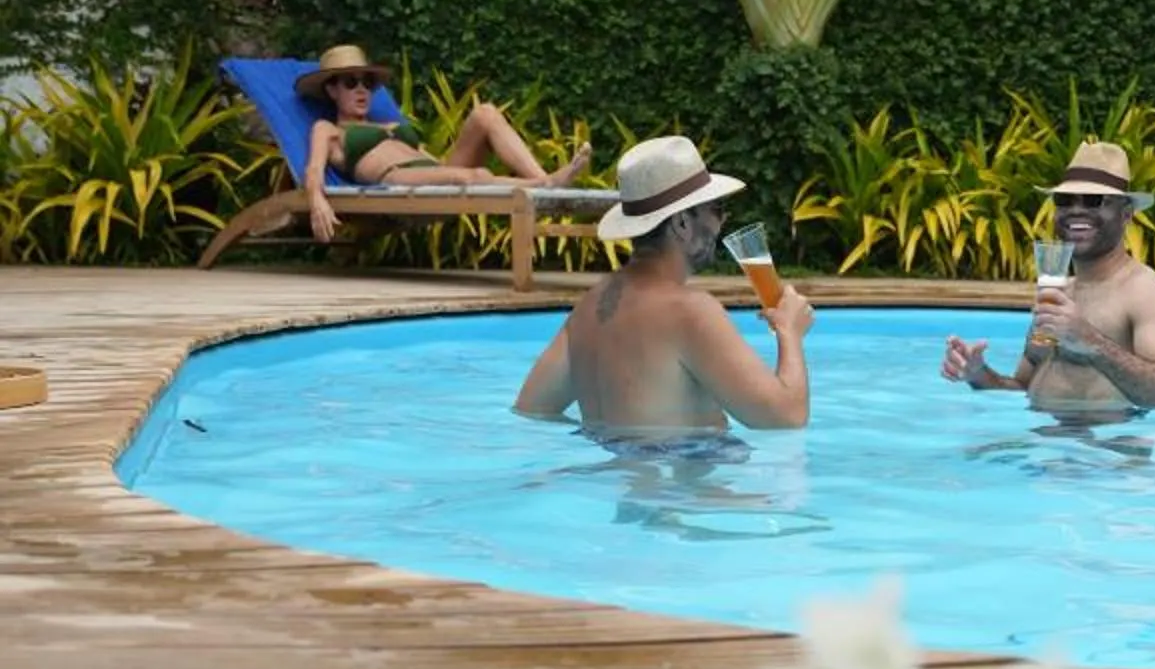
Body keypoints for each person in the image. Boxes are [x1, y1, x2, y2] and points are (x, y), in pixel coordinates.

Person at [513, 132, 814, 442]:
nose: (722, 221)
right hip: (685, 483)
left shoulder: (592, 305)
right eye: (717, 208)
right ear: (682, 223)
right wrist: (789, 332)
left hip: (625, 481)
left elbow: (533, 409)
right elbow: (787, 417)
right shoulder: (690, 310)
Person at [941, 141, 1155, 418]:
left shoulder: (1146, 293)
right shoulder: (1059, 294)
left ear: (1126, 214)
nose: (1076, 210)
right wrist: (978, 374)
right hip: (1047, 447)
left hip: (1104, 453)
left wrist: (1093, 344)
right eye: (1065, 200)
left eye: (1092, 200)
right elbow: (1023, 387)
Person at [297, 45, 590, 245]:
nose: (361, 89)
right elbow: (313, 169)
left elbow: (427, 157)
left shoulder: (385, 123)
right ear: (332, 89)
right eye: (350, 82)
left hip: (431, 171)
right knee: (472, 177)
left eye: (367, 83)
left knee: (484, 114)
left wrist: (442, 170)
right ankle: (546, 185)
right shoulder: (328, 130)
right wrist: (316, 202)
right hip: (396, 177)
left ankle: (545, 181)